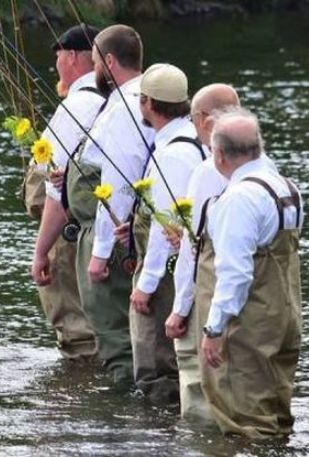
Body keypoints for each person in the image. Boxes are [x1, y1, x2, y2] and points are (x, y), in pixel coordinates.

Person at [196, 108, 303, 438]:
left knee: (245, 422)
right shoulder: (287, 187)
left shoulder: (239, 198)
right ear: (258, 147)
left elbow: (235, 274)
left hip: (248, 325)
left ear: (219, 154)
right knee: (276, 415)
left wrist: (214, 329)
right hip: (284, 317)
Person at [67, 24, 154, 387]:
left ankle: (122, 425)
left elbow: (117, 185)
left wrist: (101, 252)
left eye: (97, 63)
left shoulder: (124, 108)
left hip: (117, 236)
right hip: (133, 232)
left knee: (116, 335)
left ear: (110, 61)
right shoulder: (142, 99)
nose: (94, 71)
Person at [121, 63, 204, 403]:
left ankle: (157, 437)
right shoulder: (193, 140)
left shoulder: (172, 153)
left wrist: (146, 285)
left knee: (156, 367)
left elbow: (164, 226)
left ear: (148, 104)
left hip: (166, 274)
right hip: (181, 266)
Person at [163, 83, 240, 419]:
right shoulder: (261, 164)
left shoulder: (209, 171)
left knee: (197, 384)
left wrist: (179, 309)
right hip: (248, 296)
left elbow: (193, 250)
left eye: (194, 119)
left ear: (205, 120)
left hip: (210, 294)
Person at [30, 24, 104, 360]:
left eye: (58, 55)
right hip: (110, 231)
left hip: (72, 232)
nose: (56, 64)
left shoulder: (76, 106)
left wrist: (40, 250)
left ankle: (79, 398)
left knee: (76, 329)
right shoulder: (123, 101)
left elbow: (55, 190)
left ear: (72, 56)